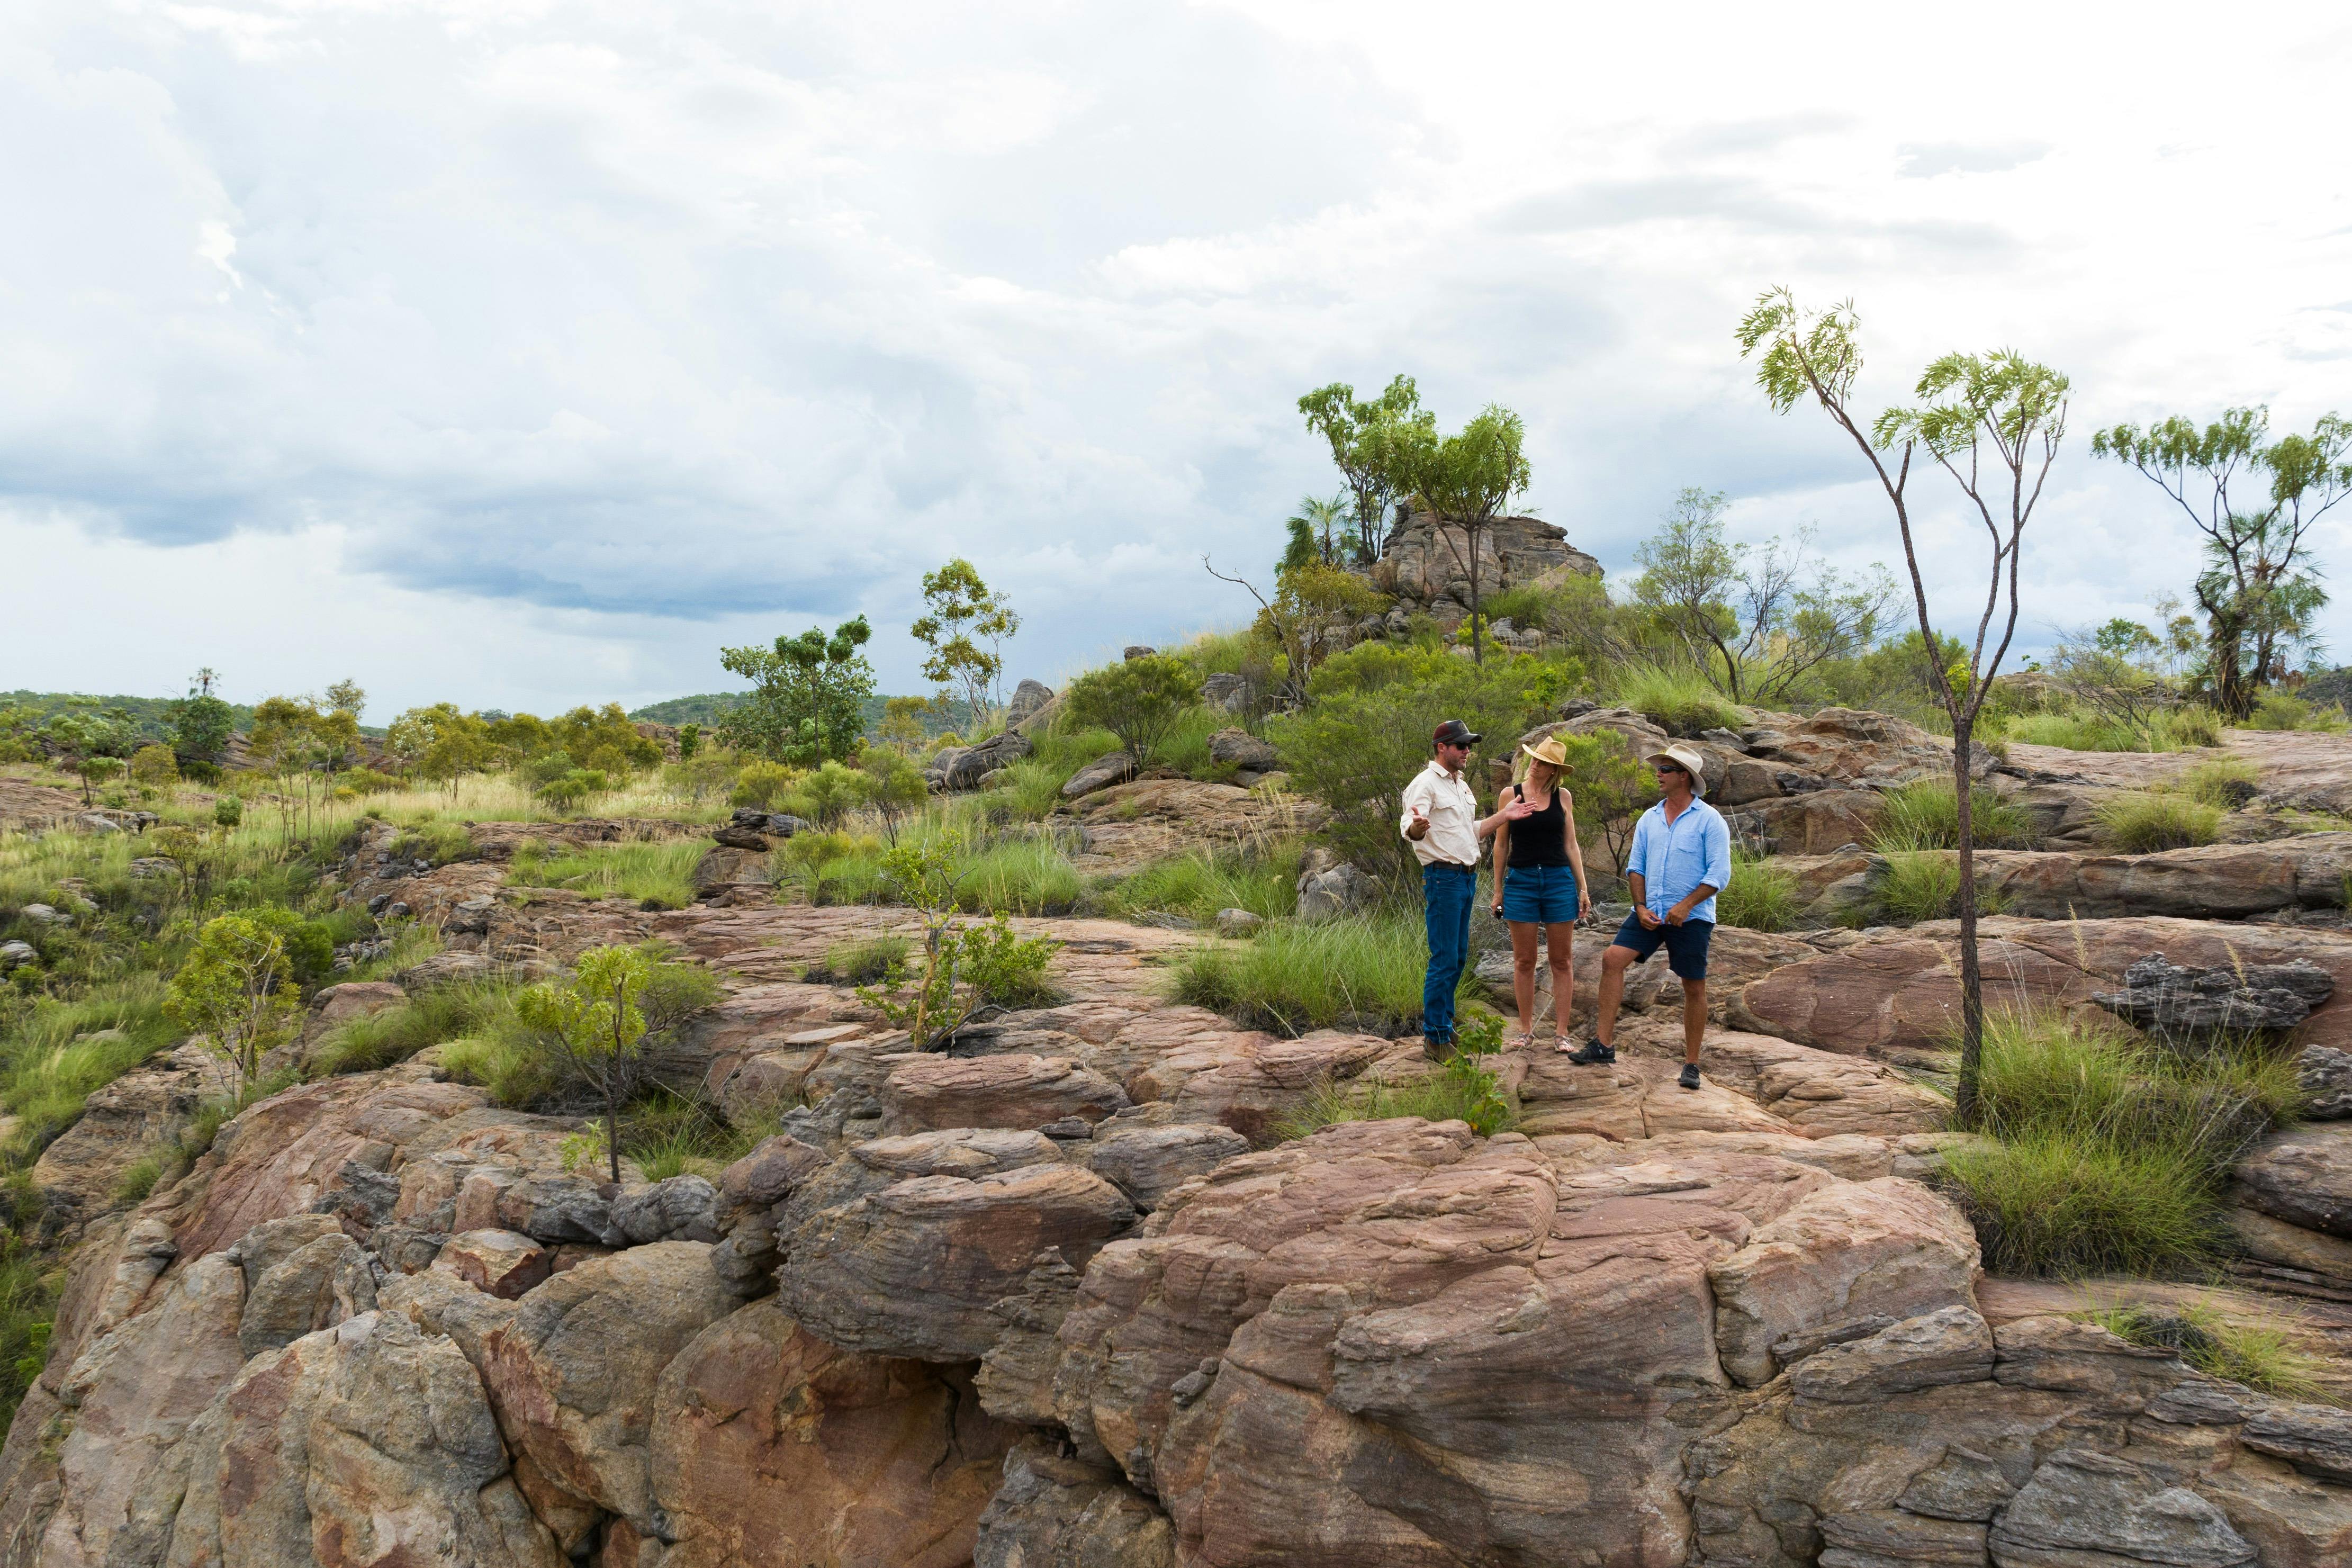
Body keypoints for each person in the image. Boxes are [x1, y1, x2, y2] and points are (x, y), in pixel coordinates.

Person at [1566, 743, 1731, 1090]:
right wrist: (1639, 907)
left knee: (1693, 986)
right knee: (1612, 958)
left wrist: (1685, 906)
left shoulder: (1709, 820)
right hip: (1648, 913)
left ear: (1684, 777)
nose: (1658, 774)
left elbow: (1719, 874)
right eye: (1659, 768)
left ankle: (1691, 1065)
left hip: (1692, 917)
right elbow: (1635, 867)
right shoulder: (1649, 818)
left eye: (1666, 769)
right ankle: (1603, 1045)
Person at [1402, 718, 1528, 1057]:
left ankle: (1444, 1024)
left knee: (1456, 957)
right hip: (1443, 878)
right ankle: (1436, 1038)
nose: (1467, 751)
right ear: (1442, 748)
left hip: (1465, 877)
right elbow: (1410, 827)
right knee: (1444, 958)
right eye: (1461, 745)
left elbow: (1470, 830)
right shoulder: (1425, 784)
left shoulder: (1460, 784)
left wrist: (1506, 815)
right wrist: (1416, 828)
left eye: (1469, 745)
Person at [1488, 734, 1593, 1049]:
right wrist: (1497, 891)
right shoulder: (1511, 794)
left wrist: (1583, 888)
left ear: (1554, 771)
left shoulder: (1563, 798)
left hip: (1558, 880)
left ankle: (1562, 1034)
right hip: (1520, 881)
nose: (1535, 765)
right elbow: (1501, 844)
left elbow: (1571, 844)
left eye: (1544, 763)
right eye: (1535, 759)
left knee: (1562, 960)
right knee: (1524, 960)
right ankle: (1526, 1030)